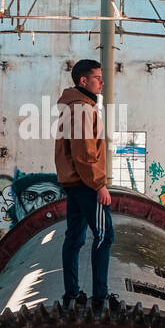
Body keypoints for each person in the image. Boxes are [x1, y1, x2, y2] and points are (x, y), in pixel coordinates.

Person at [54, 58, 119, 312]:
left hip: (73, 183)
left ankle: (72, 294)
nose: (102, 82)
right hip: (85, 184)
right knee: (105, 236)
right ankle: (100, 296)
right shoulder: (81, 108)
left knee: (74, 238)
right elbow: (84, 152)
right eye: (98, 78)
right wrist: (99, 185)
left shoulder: (73, 106)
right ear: (84, 81)